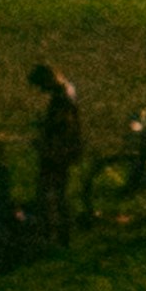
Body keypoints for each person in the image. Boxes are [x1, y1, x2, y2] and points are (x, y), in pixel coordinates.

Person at [28, 63, 85, 241]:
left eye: (41, 85)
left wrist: (43, 138)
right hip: (63, 149)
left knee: (51, 191)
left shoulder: (61, 97)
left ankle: (55, 231)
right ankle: (59, 230)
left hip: (58, 151)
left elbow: (60, 124)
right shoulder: (67, 90)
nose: (41, 90)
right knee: (58, 191)